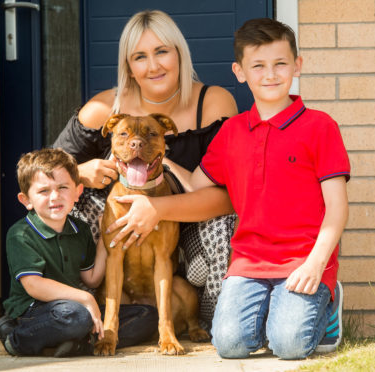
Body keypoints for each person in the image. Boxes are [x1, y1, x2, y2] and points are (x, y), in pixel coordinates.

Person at [104, 18, 350, 359]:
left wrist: (315, 263)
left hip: (303, 259)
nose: (270, 74)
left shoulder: (320, 126)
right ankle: (279, 312)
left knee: (289, 345)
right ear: (239, 71)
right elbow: (195, 185)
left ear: (297, 65)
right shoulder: (232, 131)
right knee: (229, 344)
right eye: (258, 66)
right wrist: (156, 163)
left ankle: (326, 306)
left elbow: (337, 208)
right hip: (249, 262)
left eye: (280, 64)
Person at [52, 10, 239, 326]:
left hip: (186, 237)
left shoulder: (213, 103)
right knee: (73, 205)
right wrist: (80, 172)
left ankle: (216, 321)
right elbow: (42, 176)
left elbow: (231, 198)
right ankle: (73, 313)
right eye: (140, 57)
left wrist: (157, 209)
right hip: (116, 236)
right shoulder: (102, 109)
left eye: (162, 51)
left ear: (179, 53)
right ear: (129, 67)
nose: (153, 66)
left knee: (223, 224)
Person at [0, 148, 158, 357]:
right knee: (77, 317)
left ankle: (79, 344)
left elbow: (92, 279)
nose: (55, 196)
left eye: (63, 187)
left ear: (78, 192)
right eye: (44, 191)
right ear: (26, 200)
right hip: (34, 312)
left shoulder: (80, 229)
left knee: (147, 315)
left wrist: (107, 233)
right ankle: (15, 339)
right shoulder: (21, 233)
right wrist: (85, 299)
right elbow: (34, 285)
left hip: (71, 308)